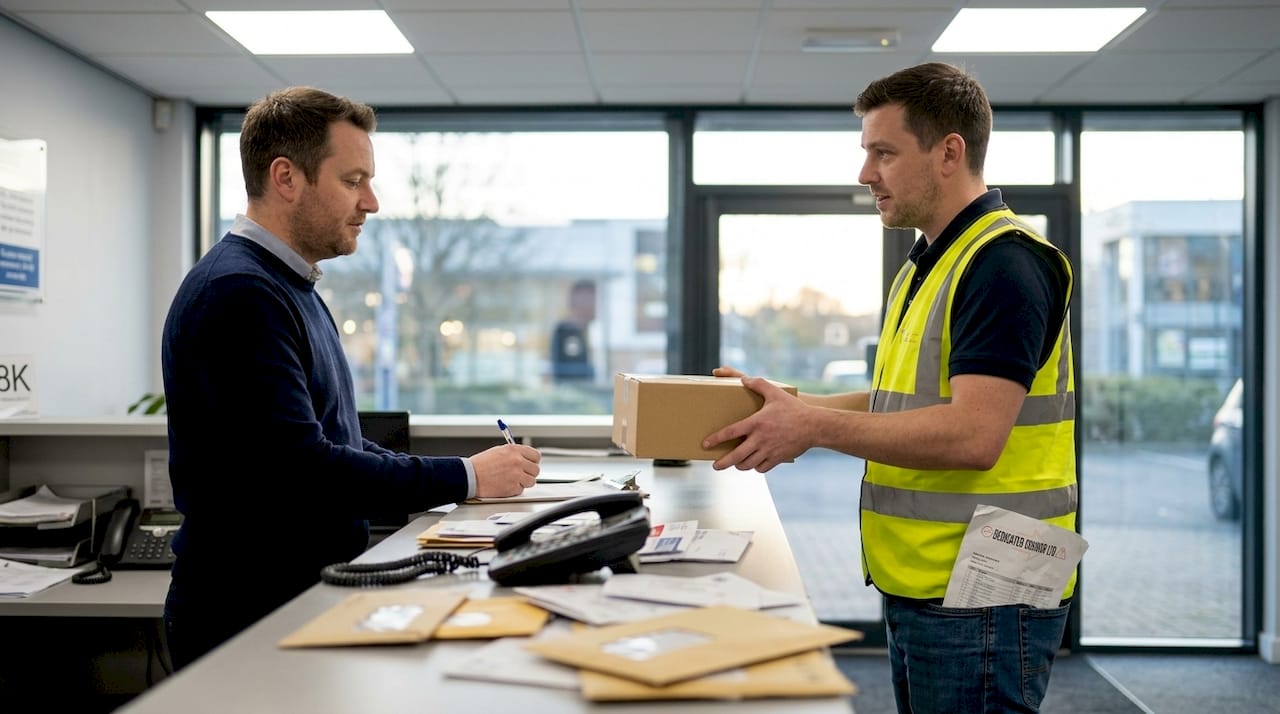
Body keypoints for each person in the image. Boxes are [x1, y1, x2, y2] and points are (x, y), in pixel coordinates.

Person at [702, 62, 1076, 714]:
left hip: (985, 589)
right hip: (934, 580)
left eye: (884, 152)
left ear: (948, 154)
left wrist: (812, 428)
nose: (864, 173)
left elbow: (974, 435)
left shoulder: (1004, 266)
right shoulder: (928, 264)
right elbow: (900, 405)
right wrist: (789, 407)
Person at [160, 86, 541, 670]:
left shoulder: (290, 285)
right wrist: (464, 477)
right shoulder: (239, 294)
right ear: (286, 178)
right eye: (353, 180)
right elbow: (303, 469)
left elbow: (331, 442)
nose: (372, 202)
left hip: (301, 599)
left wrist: (465, 476)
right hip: (249, 618)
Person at [550, 279, 597, 383]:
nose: (594, 305)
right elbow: (571, 370)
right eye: (589, 299)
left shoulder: (583, 330)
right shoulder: (566, 331)